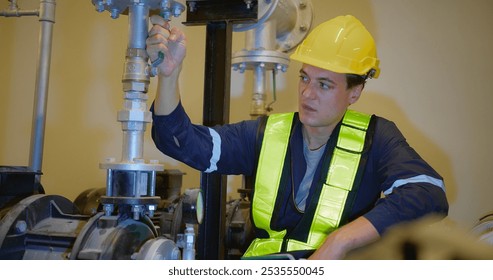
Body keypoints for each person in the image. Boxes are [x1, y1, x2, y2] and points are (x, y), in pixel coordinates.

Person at [146, 14, 449, 260]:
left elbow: (428, 194)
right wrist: (170, 74)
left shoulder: (377, 138)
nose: (307, 93)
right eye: (304, 78)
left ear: (354, 92)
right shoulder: (268, 133)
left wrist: (340, 242)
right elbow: (182, 141)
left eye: (324, 85)